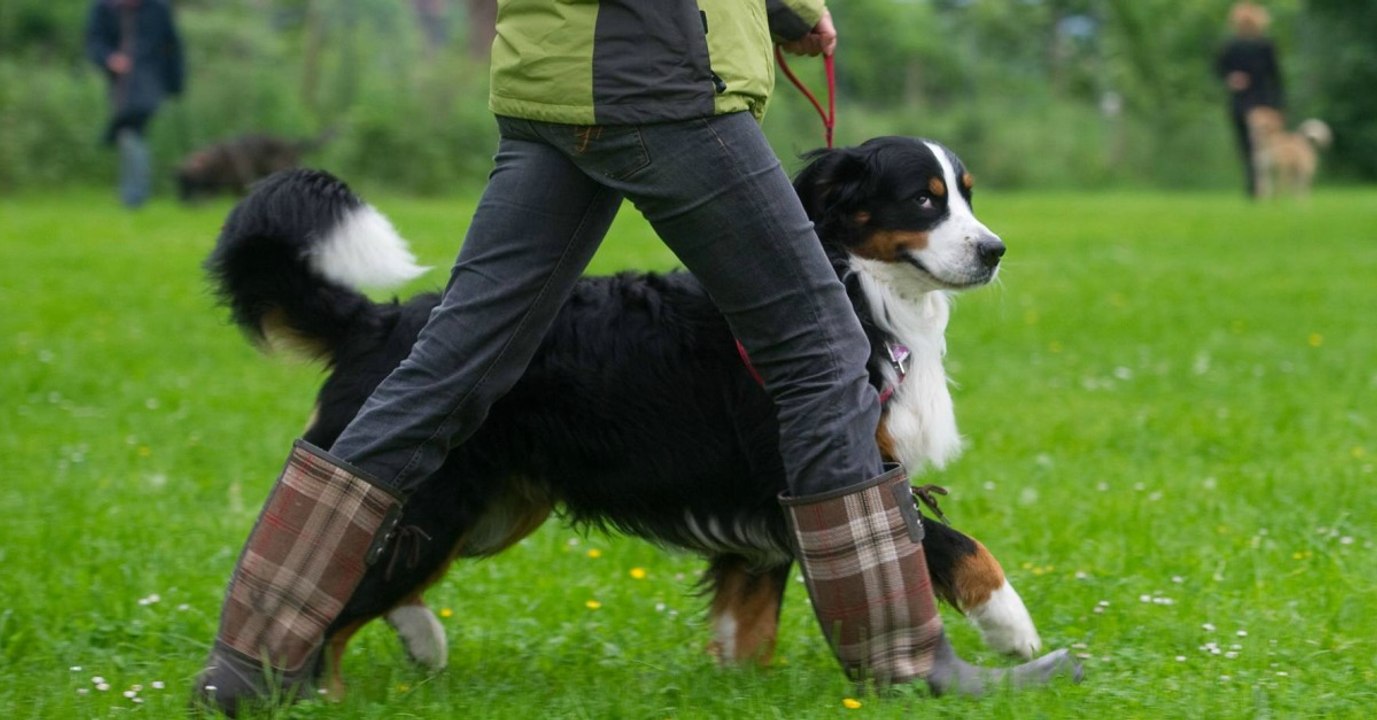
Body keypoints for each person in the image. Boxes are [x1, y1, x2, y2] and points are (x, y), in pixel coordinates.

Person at [193, 1, 1075, 714]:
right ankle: (903, 656)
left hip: (551, 73)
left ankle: (257, 661)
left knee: (448, 363)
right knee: (820, 348)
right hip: (661, 71)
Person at [84, 0, 184, 209]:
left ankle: (134, 196)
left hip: (150, 81)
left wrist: (176, 84)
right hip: (120, 85)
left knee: (131, 131)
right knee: (128, 136)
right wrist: (110, 59)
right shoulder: (104, 8)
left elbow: (172, 46)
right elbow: (94, 43)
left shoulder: (158, 8)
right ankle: (133, 192)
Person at [1216, 1, 1284, 198]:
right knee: (1250, 148)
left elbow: (1275, 76)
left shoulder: (1263, 46)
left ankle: (1261, 189)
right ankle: (1257, 188)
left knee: (1260, 148)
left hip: (1259, 102)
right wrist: (1231, 78)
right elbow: (1219, 69)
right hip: (1247, 102)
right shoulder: (1232, 46)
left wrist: (1278, 105)